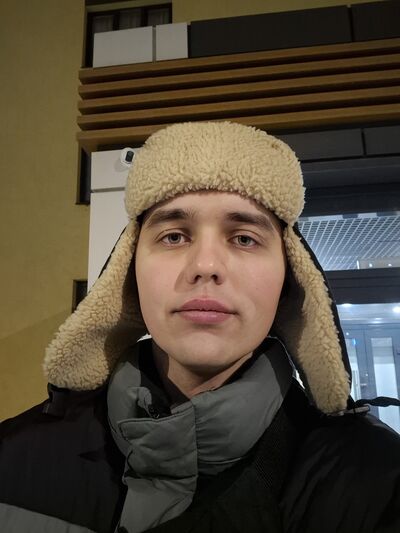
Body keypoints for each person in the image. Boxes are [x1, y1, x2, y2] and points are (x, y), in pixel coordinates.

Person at [0, 121, 399, 533]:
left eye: (244, 238)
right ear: (128, 271)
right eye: (174, 237)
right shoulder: (12, 461)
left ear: (291, 278)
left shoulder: (379, 483)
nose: (205, 266)